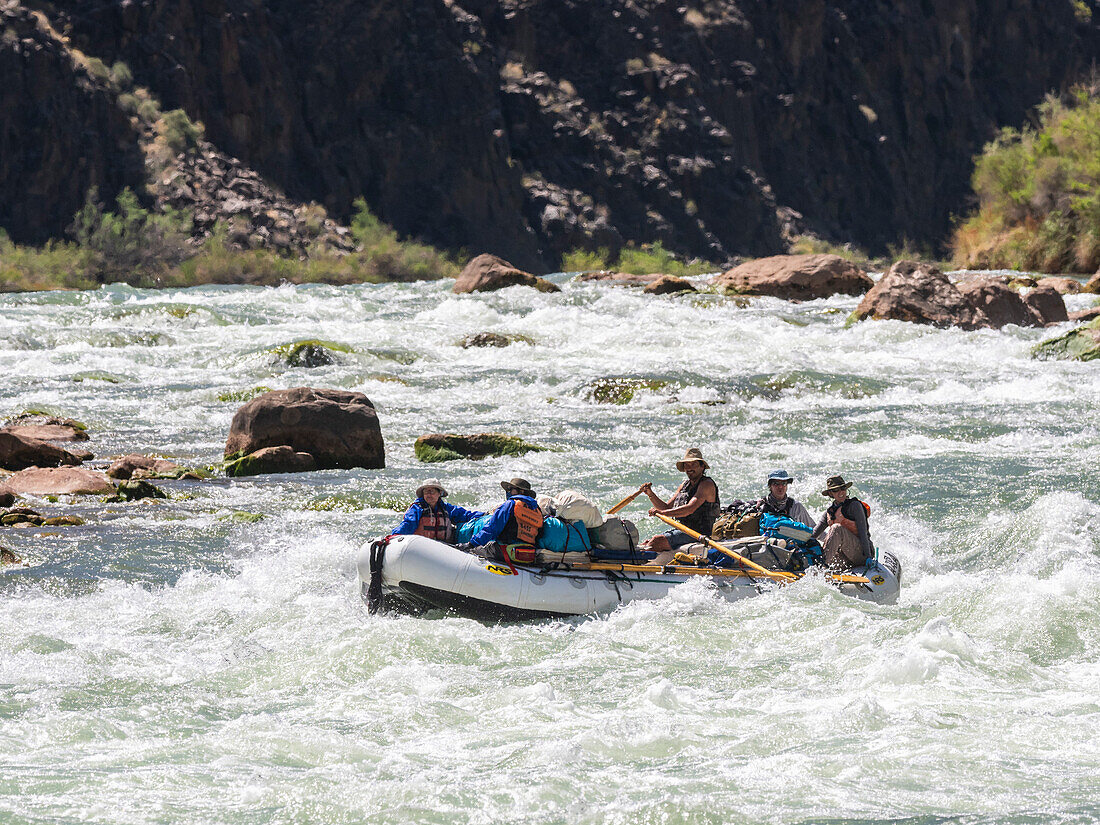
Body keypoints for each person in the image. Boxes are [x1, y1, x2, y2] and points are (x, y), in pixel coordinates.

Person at [639, 448, 720, 564]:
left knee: (656, 541)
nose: (689, 468)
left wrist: (662, 513)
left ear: (702, 467)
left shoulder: (706, 484)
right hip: (682, 529)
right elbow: (666, 508)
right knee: (647, 543)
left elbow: (689, 509)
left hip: (698, 532)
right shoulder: (684, 485)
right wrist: (651, 494)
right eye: (686, 465)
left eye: (693, 464)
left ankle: (639, 569)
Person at [392, 479, 484, 543]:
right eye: (426, 492)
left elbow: (466, 515)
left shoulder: (446, 508)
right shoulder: (417, 509)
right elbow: (408, 524)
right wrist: (395, 536)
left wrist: (484, 514)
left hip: (443, 548)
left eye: (431, 491)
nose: (428, 495)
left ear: (439, 493)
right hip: (420, 548)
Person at [810, 475, 873, 568]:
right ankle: (817, 566)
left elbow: (863, 533)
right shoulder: (829, 512)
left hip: (862, 554)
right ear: (831, 494)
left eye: (843, 488)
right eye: (836, 490)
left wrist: (868, 556)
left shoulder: (855, 506)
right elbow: (814, 534)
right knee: (814, 547)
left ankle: (823, 567)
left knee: (836, 528)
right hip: (844, 557)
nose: (841, 492)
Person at [463, 477, 545, 549]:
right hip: (528, 551)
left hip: (506, 549)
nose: (508, 492)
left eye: (511, 489)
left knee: (476, 550)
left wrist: (472, 544)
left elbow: (493, 528)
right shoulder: (537, 510)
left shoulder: (511, 504)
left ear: (521, 491)